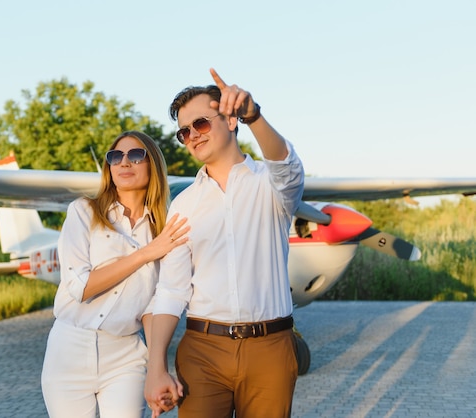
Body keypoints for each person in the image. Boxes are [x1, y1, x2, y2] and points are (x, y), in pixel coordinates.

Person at [144, 69, 305, 418]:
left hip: (271, 348)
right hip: (201, 350)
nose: (191, 137)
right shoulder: (184, 204)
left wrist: (255, 115)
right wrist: (155, 367)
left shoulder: (271, 186)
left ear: (231, 121)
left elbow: (287, 166)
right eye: (184, 132)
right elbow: (172, 289)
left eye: (200, 124)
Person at [41, 130, 189, 418]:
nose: (124, 162)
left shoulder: (163, 231)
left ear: (153, 166)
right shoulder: (83, 212)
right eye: (115, 156)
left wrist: (158, 369)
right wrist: (145, 254)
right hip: (68, 350)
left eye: (136, 155)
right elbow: (80, 287)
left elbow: (153, 306)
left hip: (126, 356)